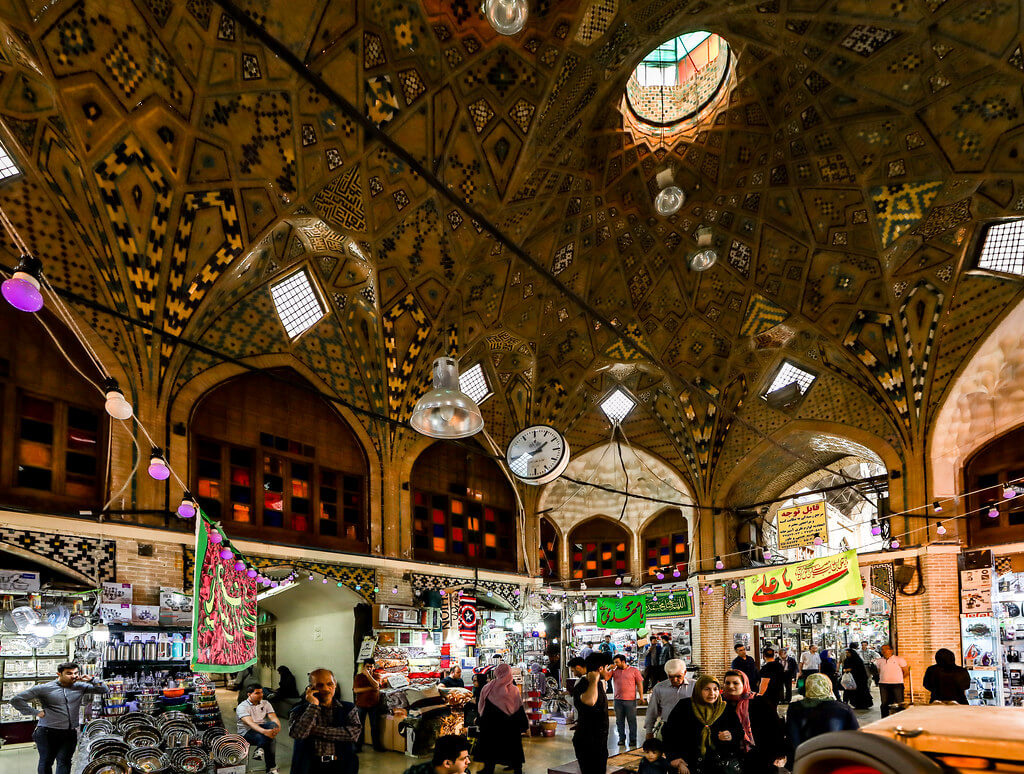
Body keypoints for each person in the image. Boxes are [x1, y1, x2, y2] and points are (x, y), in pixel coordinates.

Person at [12, 662, 107, 774]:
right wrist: (35, 712)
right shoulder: (44, 688)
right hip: (47, 732)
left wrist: (92, 680)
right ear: (59, 674)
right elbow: (16, 700)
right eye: (69, 673)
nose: (74, 676)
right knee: (46, 762)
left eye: (76, 673)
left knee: (65, 762)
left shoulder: (80, 687)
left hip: (69, 733)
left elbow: (104, 690)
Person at [662, 675, 743, 774]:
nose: (712, 693)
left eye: (715, 689)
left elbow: (739, 732)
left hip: (717, 765)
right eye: (707, 689)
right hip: (687, 764)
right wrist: (673, 757)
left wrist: (731, 735)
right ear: (698, 690)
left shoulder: (725, 708)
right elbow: (668, 733)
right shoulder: (684, 706)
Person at [289, 668, 361, 774]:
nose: (326, 689)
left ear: (335, 684)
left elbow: (352, 735)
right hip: (309, 767)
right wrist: (313, 706)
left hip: (342, 766)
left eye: (329, 684)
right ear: (310, 688)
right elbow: (298, 734)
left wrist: (313, 730)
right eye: (320, 685)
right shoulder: (298, 710)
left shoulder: (348, 708)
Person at [721, 670, 791, 774]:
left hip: (762, 754)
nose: (731, 686)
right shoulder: (721, 704)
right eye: (727, 683)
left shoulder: (759, 701)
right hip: (734, 757)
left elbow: (775, 728)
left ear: (744, 684)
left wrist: (780, 754)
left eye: (735, 683)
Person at [476, 663, 528, 774]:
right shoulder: (513, 689)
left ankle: (488, 769)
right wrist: (523, 725)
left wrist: (481, 719)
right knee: (513, 747)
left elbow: (482, 704)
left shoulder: (488, 687)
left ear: (496, 673)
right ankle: (517, 769)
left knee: (491, 747)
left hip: (491, 724)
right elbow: (518, 707)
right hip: (510, 725)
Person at [785, 673, 859, 751]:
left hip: (804, 757)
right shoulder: (843, 708)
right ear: (828, 687)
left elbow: (793, 738)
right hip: (834, 757)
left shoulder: (795, 707)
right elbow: (854, 737)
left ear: (807, 686)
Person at [572, 652, 613, 774]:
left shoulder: (598, 684)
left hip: (599, 741)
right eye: (607, 668)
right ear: (600, 668)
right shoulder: (584, 684)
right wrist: (594, 681)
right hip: (588, 743)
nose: (608, 672)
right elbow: (590, 701)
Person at [644, 658, 694, 740]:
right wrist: (649, 732)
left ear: (685, 672)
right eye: (671, 677)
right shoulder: (659, 688)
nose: (675, 680)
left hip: (690, 729)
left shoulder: (695, 686)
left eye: (678, 676)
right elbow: (652, 711)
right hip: (667, 728)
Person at [236, 684, 281, 774]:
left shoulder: (265, 703)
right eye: (257, 693)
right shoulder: (242, 707)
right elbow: (250, 723)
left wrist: (277, 728)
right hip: (246, 732)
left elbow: (273, 718)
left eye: (261, 692)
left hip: (261, 728)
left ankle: (259, 749)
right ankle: (271, 768)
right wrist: (265, 732)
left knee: (272, 724)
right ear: (249, 694)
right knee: (270, 740)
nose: (261, 695)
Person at [610, 653, 644, 748]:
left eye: (617, 662)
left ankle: (633, 739)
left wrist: (641, 697)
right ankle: (621, 739)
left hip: (630, 701)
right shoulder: (614, 671)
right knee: (619, 721)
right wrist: (609, 668)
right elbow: (606, 677)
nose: (615, 664)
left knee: (631, 721)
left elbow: (639, 684)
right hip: (618, 700)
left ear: (623, 662)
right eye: (614, 662)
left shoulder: (634, 671)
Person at [352, 659, 385, 753]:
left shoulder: (377, 675)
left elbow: (376, 685)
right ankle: (358, 747)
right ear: (364, 667)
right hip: (361, 705)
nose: (369, 668)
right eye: (367, 667)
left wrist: (368, 675)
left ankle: (376, 746)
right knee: (359, 727)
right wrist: (370, 688)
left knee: (375, 727)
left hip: (374, 705)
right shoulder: (358, 677)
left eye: (371, 667)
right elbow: (356, 690)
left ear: (374, 667)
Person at [402, 734, 472, 774]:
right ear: (447, 763)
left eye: (467, 757)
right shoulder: (415, 772)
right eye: (464, 758)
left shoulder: (463, 770)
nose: (468, 761)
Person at [874, 644, 908, 718]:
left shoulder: (899, 659)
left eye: (886, 649)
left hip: (897, 684)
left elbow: (906, 671)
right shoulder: (879, 661)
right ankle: (884, 718)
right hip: (883, 684)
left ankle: (900, 718)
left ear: (891, 650)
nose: (884, 651)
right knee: (884, 703)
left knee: (899, 703)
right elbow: (879, 671)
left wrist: (899, 679)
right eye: (882, 649)